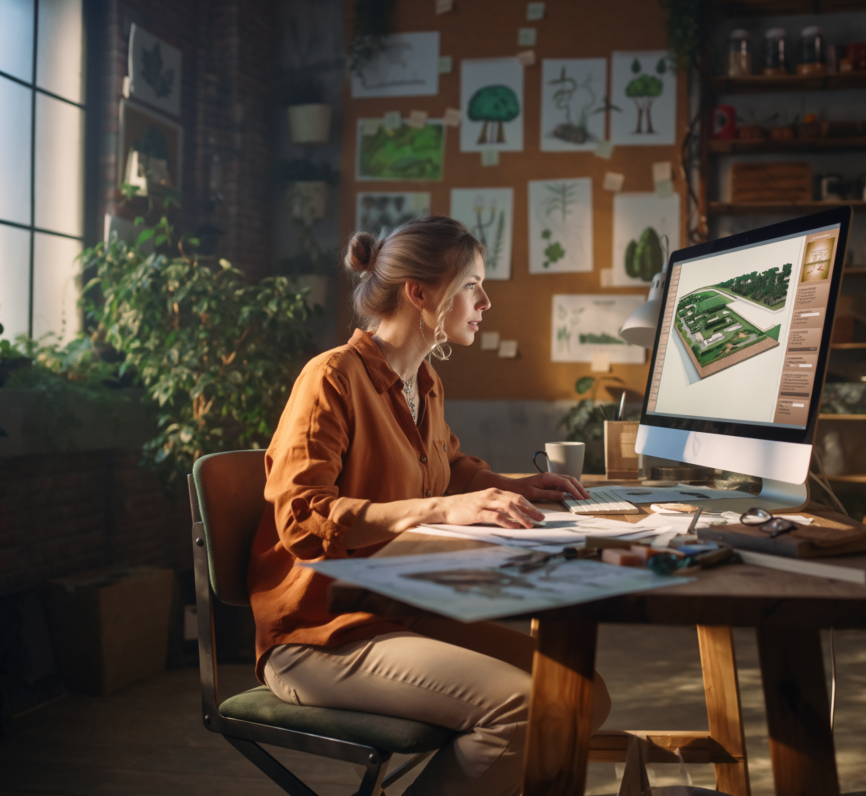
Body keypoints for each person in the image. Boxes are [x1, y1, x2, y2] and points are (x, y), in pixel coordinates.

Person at [248, 216, 612, 796]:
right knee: (526, 709)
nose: (485, 301)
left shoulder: (425, 382)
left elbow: (446, 470)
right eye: (472, 284)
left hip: (401, 610)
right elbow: (302, 520)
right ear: (419, 293)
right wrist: (439, 512)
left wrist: (512, 484)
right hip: (319, 635)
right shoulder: (332, 378)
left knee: (582, 695)